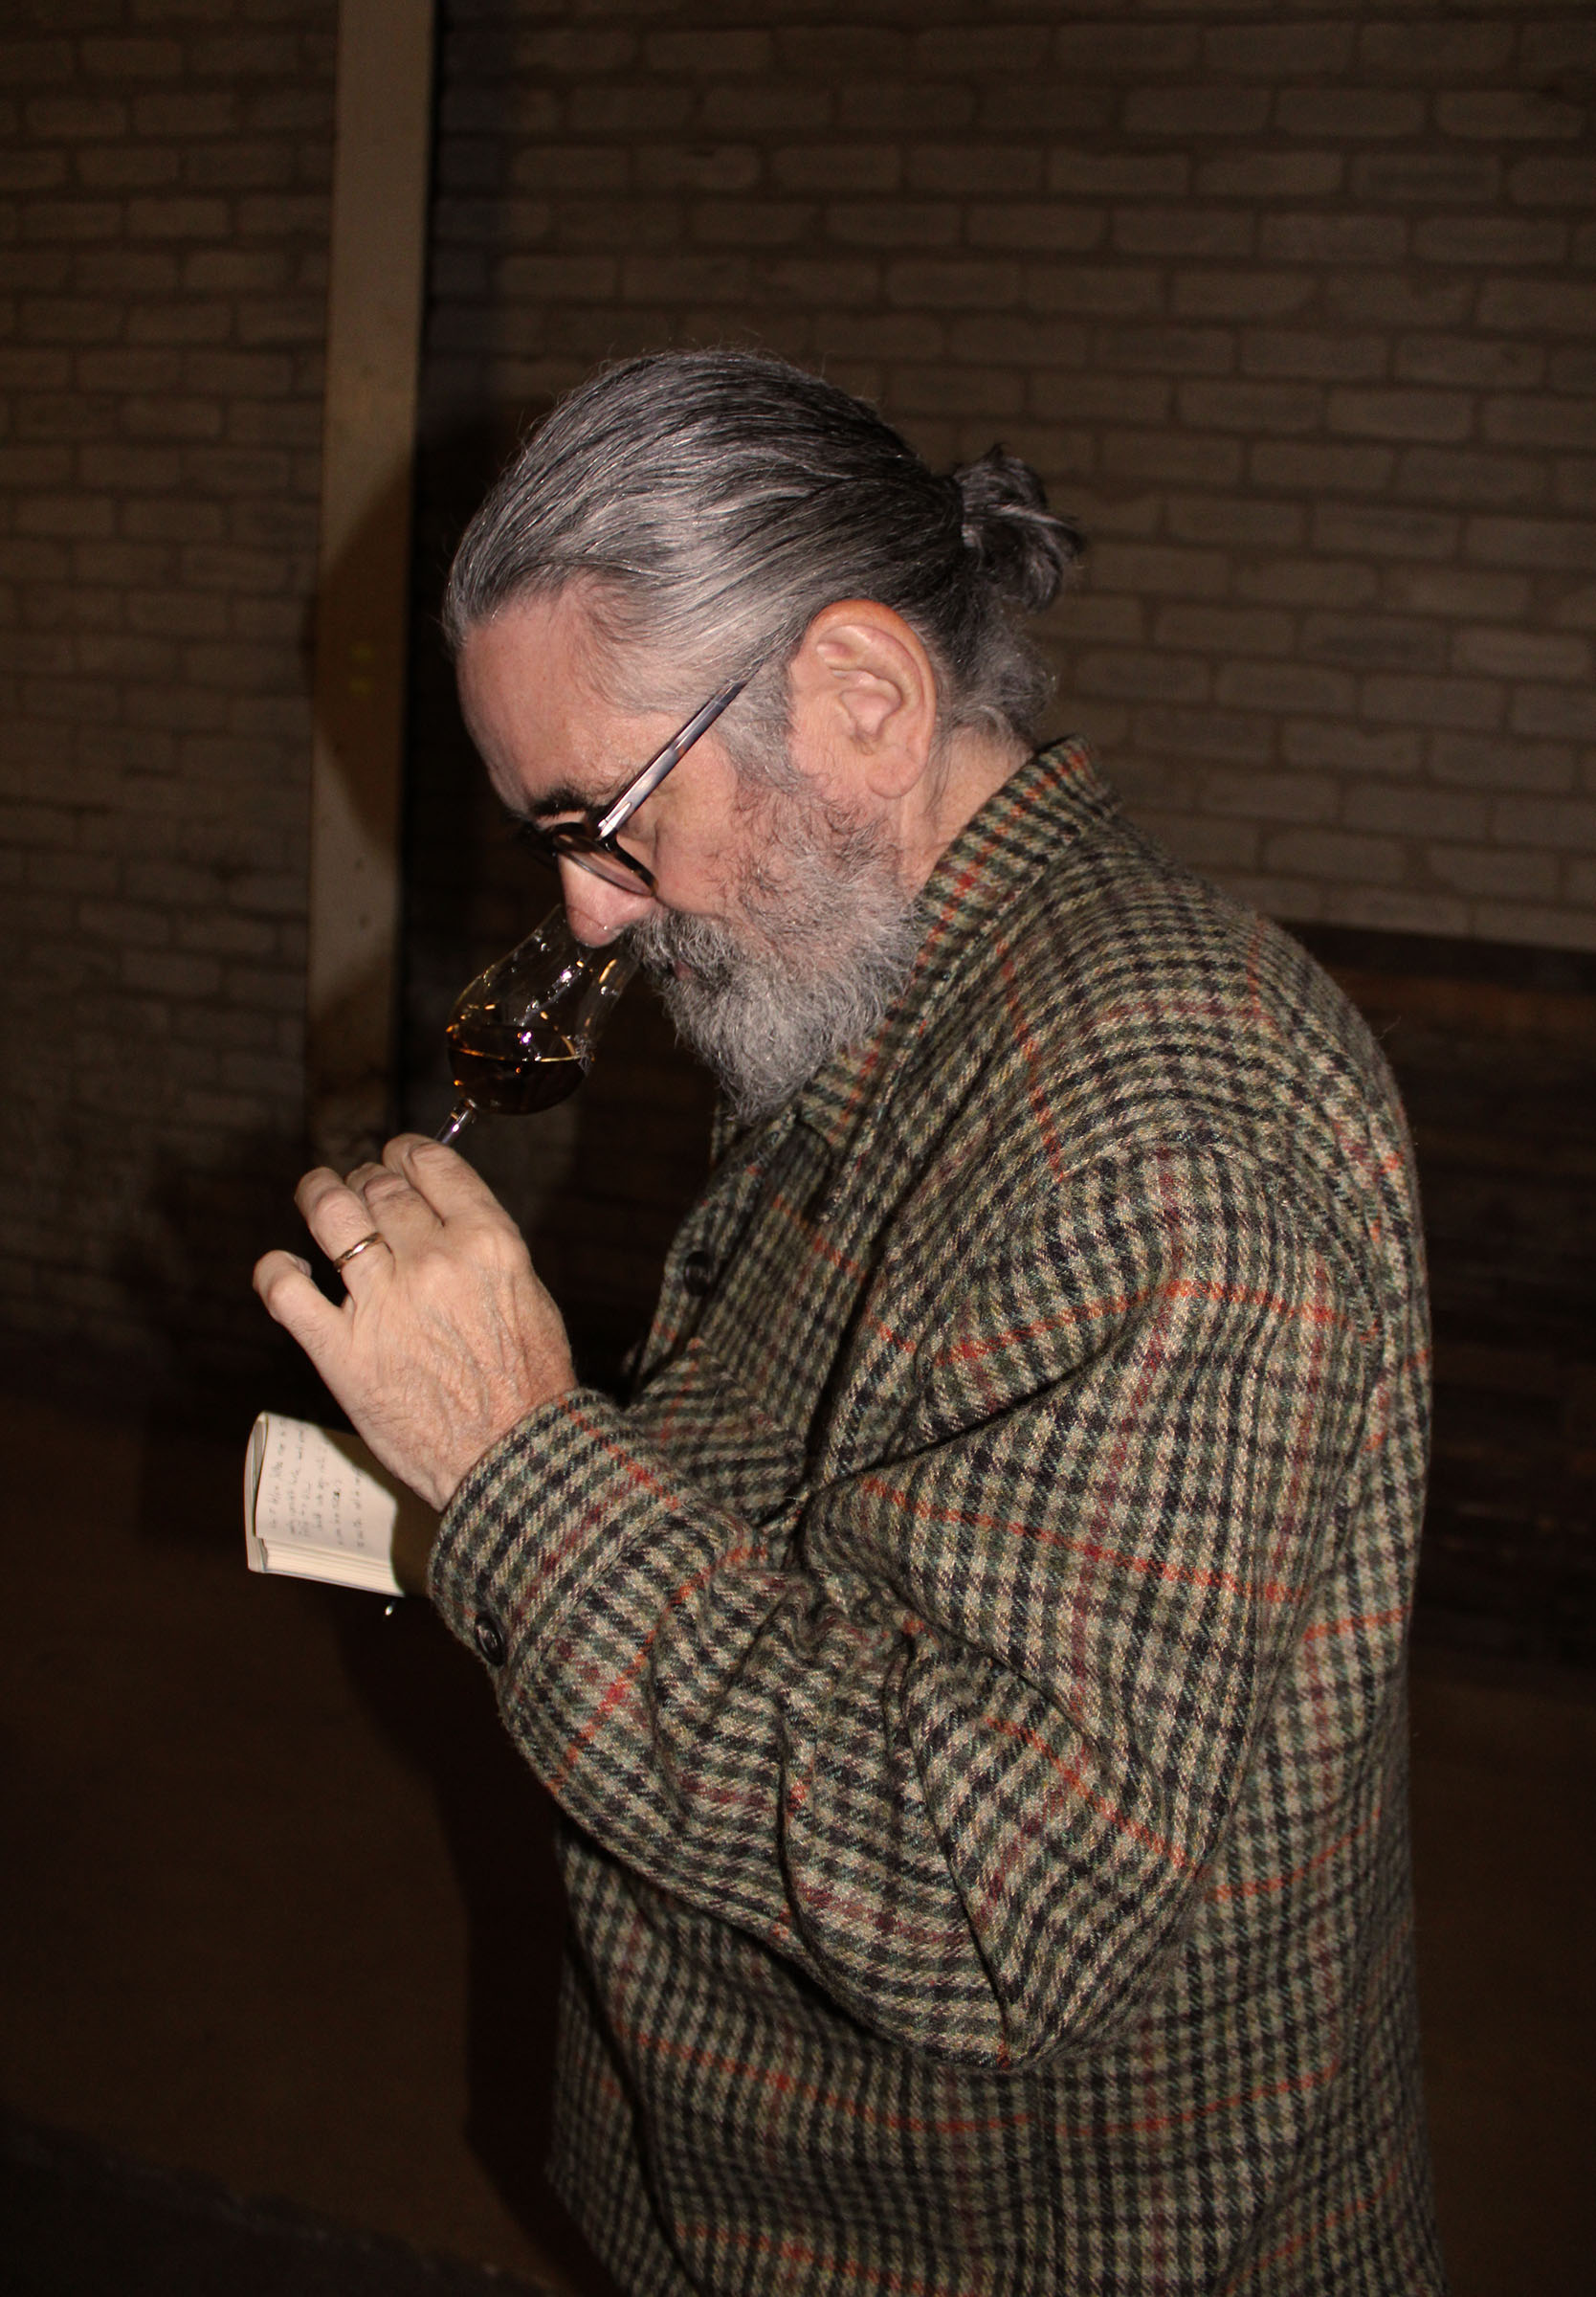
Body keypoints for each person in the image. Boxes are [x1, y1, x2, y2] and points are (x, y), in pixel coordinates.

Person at [255, 351, 1447, 2295]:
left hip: (1017, 2249)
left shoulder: (1161, 1129)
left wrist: (518, 1463)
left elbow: (996, 1903)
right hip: (784, 2192)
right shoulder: (887, 987)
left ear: (865, 703)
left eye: (602, 818)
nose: (590, 912)